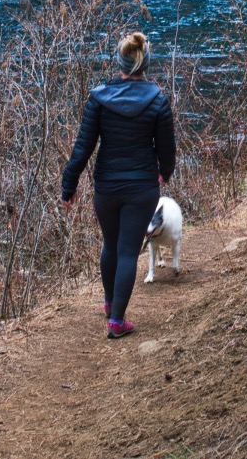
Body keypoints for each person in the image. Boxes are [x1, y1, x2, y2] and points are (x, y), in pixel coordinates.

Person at [61, 32, 176, 339]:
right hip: (141, 187)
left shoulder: (99, 98)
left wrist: (68, 187)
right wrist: (164, 173)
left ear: (119, 62)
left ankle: (111, 304)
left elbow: (82, 148)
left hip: (107, 186)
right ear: (145, 63)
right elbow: (167, 150)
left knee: (111, 245)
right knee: (127, 251)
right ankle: (116, 321)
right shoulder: (158, 100)